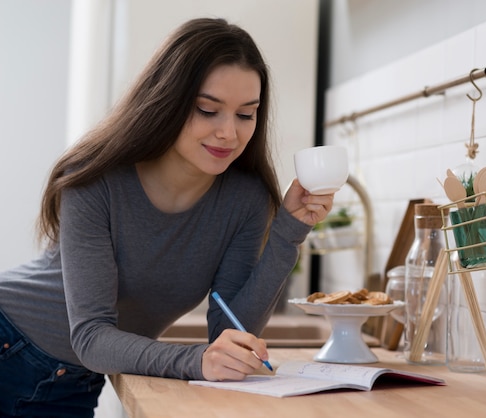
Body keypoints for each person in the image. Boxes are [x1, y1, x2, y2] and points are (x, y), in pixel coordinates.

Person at [0, 17, 334, 417]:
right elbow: (91, 336)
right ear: (168, 101)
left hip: (73, 379)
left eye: (246, 115)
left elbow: (229, 331)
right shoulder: (94, 182)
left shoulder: (245, 200)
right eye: (208, 110)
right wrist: (195, 361)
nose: (229, 132)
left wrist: (288, 232)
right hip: (11, 338)